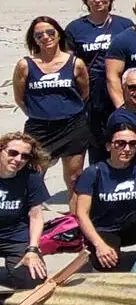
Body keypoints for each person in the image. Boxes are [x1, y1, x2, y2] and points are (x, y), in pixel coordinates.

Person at [14, 17, 90, 196]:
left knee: (74, 179)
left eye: (50, 32)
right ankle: (30, 220)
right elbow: (20, 98)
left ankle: (74, 220)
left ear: (58, 35)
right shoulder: (25, 65)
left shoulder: (75, 63)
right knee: (33, 176)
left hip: (73, 126)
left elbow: (84, 93)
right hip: (39, 129)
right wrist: (41, 113)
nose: (45, 37)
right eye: (39, 35)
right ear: (34, 39)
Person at [67, 0, 135, 163]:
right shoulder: (75, 28)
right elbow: (68, 63)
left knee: (124, 133)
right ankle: (99, 177)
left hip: (121, 89)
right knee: (96, 140)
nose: (98, 0)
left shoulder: (125, 25)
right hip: (91, 92)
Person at [73, 123, 136, 272]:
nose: (126, 149)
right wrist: (99, 245)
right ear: (108, 146)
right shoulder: (94, 172)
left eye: (132, 144)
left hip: (132, 226)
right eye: (120, 143)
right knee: (107, 265)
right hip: (104, 229)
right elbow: (81, 213)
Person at [0, 133, 49, 290]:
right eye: (13, 153)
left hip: (16, 237)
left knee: (34, 280)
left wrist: (33, 249)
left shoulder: (31, 177)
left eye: (25, 156)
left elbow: (35, 216)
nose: (18, 159)